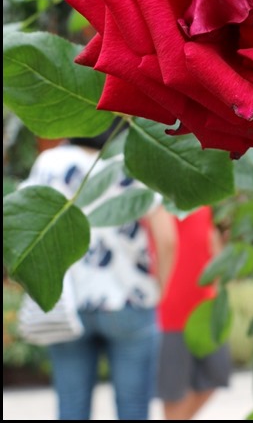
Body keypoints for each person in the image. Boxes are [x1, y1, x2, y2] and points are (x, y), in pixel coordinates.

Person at [20, 121, 177, 420]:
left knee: (71, 408)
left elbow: (27, 231)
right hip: (129, 298)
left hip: (67, 301)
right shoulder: (133, 161)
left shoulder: (50, 163)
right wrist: (159, 288)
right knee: (133, 409)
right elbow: (167, 238)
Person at [157, 205, 232, 420]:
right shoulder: (157, 204)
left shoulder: (204, 205)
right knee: (173, 395)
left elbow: (212, 245)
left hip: (205, 308)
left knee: (217, 375)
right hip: (170, 312)